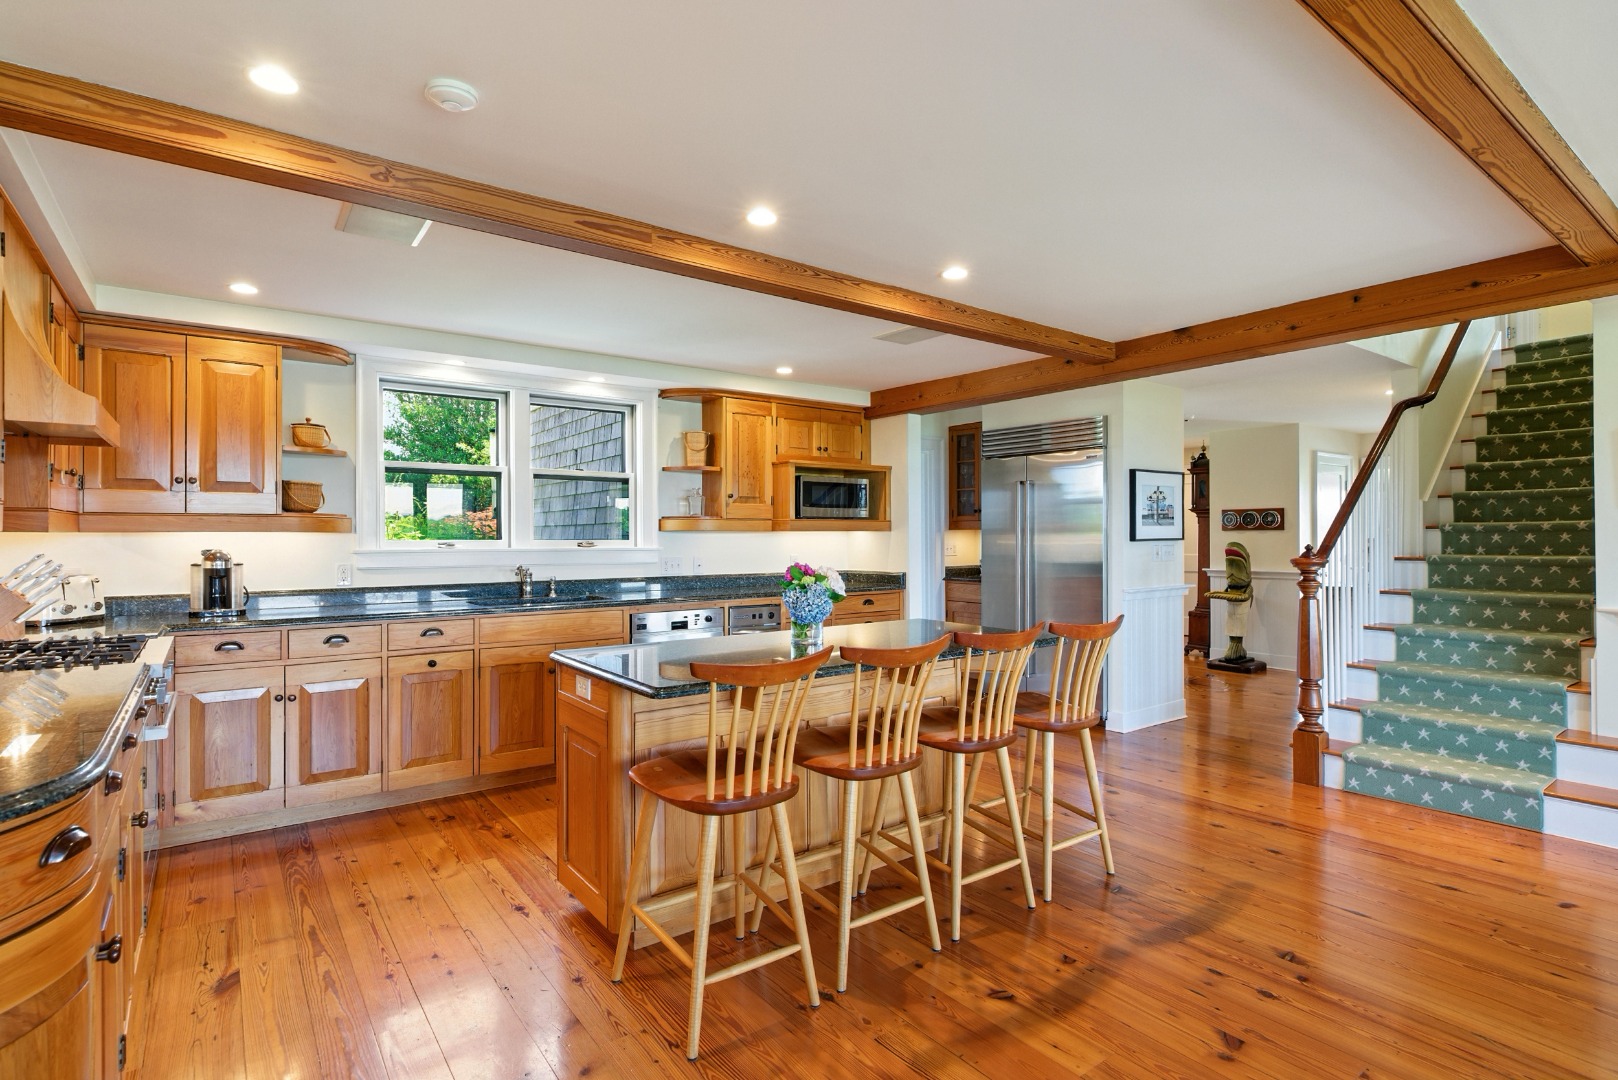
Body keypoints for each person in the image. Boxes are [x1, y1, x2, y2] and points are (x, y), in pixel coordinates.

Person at [1206, 541, 1254, 663]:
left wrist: (1241, 596)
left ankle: (1237, 649)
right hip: (1231, 607)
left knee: (1239, 627)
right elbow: (1225, 592)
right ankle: (1233, 649)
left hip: (1241, 607)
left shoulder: (1248, 587)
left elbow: (1247, 595)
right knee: (1231, 625)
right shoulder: (1229, 585)